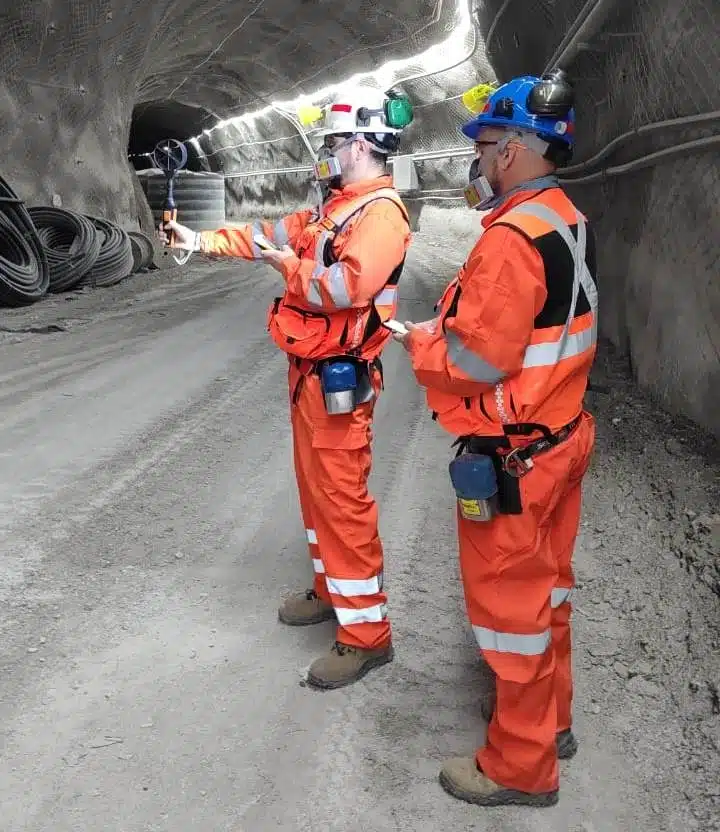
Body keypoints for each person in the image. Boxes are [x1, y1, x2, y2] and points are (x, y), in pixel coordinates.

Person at [159, 88, 413, 690]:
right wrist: (201, 241)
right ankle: (331, 592)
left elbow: (343, 289)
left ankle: (366, 636)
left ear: (359, 143)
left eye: (332, 141)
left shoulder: (380, 215)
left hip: (339, 380)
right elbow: (266, 234)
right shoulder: (336, 208)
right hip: (311, 378)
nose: (325, 151)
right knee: (316, 493)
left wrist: (287, 268)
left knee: (343, 502)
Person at [393, 70, 598, 807]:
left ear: (511, 149)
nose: (478, 161)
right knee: (550, 595)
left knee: (511, 615)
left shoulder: (510, 239)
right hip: (565, 434)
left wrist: (422, 343)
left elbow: (475, 361)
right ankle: (552, 722)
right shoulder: (567, 216)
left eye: (482, 147)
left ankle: (519, 767)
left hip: (517, 455)